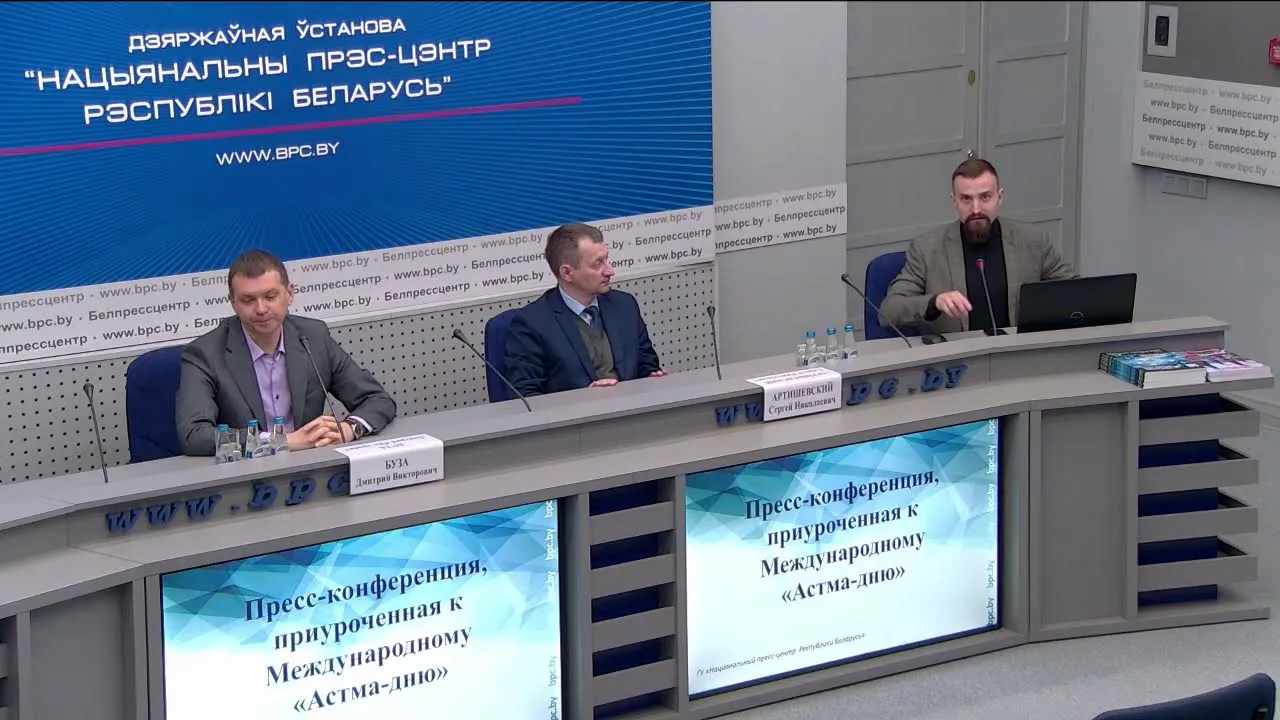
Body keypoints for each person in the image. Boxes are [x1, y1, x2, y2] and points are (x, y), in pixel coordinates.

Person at [176, 249, 397, 456]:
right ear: (233, 302)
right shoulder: (205, 353)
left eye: (270, 296)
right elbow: (194, 435)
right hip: (245, 472)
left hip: (311, 464)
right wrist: (281, 441)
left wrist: (349, 429)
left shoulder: (313, 338)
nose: (261, 309)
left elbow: (377, 399)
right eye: (248, 300)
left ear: (289, 294)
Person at [879, 157, 1077, 335]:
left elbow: (1076, 292)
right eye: (966, 199)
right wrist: (934, 302)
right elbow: (889, 311)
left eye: (985, 197)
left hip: (1018, 353)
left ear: (1000, 197)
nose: (976, 209)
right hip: (957, 357)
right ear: (954, 201)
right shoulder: (926, 249)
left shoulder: (1032, 240)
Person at [503, 223, 665, 397]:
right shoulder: (532, 323)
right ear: (567, 273)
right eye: (597, 264)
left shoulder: (624, 305)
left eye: (607, 259)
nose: (610, 271)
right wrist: (583, 400)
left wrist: (651, 377)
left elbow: (646, 364)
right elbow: (524, 395)